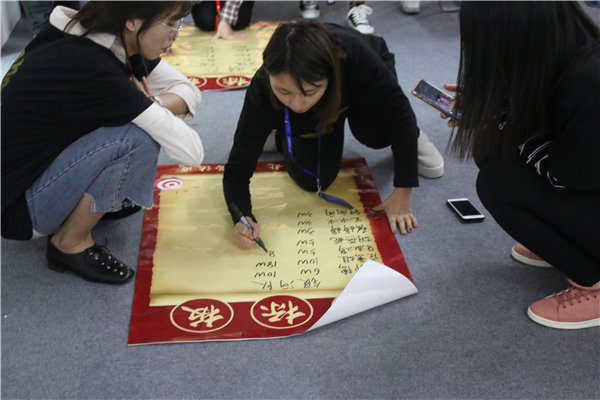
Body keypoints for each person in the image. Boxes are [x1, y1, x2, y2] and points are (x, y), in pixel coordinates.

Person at [1, 2, 204, 285]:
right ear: (132, 20)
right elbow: (192, 153)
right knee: (139, 137)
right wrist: (144, 105)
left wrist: (153, 103)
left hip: (25, 179)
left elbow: (190, 91)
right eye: (170, 23)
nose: (175, 34)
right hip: (18, 210)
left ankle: (85, 206)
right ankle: (69, 243)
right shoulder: (94, 67)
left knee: (132, 120)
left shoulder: (90, 34)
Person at [443, 2, 600, 329]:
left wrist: (501, 119)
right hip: (586, 174)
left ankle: (594, 280)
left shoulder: (589, 80)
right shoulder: (569, 53)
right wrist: (494, 103)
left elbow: (568, 177)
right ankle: (569, 241)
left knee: (499, 182)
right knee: (492, 154)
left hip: (580, 177)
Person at [223, 20, 443, 250]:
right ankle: (282, 136)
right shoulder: (262, 89)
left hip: (361, 86)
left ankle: (412, 136)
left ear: (330, 77)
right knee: (312, 180)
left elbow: (400, 113)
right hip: (325, 105)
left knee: (377, 133)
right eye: (283, 91)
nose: (297, 103)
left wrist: (403, 192)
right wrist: (242, 217)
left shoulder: (355, 55)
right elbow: (237, 169)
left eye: (309, 92)